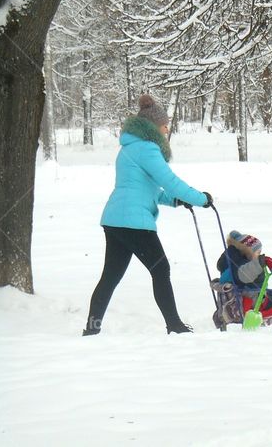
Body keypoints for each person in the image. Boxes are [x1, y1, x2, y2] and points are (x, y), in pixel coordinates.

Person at [83, 94, 213, 336]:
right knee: (160, 269)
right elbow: (170, 181)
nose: (167, 128)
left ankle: (91, 329)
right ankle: (174, 325)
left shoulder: (129, 148)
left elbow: (145, 189)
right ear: (153, 126)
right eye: (164, 124)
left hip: (115, 220)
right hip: (134, 223)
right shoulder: (148, 148)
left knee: (110, 277)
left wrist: (175, 200)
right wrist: (201, 198)